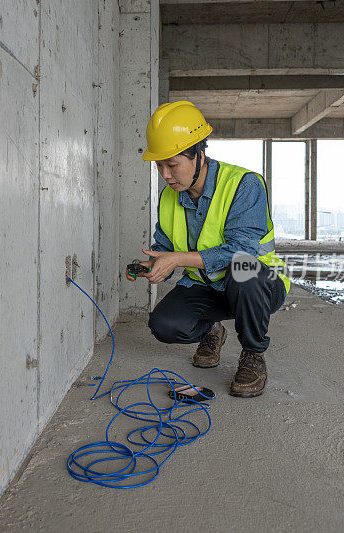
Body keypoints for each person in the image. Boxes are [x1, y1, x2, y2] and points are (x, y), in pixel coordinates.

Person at [126, 101, 290, 398]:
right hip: (208, 285)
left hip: (260, 283)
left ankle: (253, 355)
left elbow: (243, 251)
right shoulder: (169, 197)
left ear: (198, 155)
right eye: (159, 165)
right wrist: (156, 264)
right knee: (163, 325)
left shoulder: (243, 185)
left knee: (244, 271)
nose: (165, 174)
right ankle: (212, 331)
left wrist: (177, 258)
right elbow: (165, 247)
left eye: (172, 164)